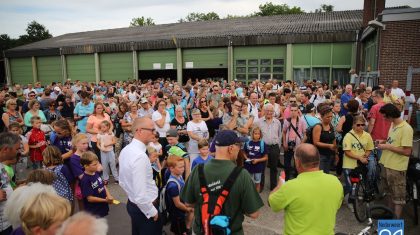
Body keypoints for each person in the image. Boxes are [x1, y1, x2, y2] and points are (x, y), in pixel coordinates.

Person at [181, 130, 263, 235]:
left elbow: (188, 203)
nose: (240, 149)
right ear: (231, 148)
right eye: (239, 146)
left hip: (202, 231)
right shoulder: (242, 175)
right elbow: (254, 213)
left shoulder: (198, 170)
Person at [268, 144, 343, 235]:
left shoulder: (290, 186)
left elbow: (272, 203)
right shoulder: (335, 183)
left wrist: (279, 186)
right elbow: (336, 205)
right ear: (318, 161)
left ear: (298, 162)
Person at [119, 117, 162, 235]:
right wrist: (152, 212)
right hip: (145, 210)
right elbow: (140, 195)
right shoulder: (140, 157)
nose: (155, 133)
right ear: (139, 131)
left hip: (134, 205)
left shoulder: (126, 150)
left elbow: (122, 182)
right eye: (152, 130)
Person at [377, 103, 413, 219]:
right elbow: (394, 142)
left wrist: (387, 147)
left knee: (398, 197)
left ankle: (395, 221)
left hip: (397, 168)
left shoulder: (406, 129)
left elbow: (407, 151)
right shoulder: (393, 124)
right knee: (389, 193)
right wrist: (383, 142)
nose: (384, 118)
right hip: (387, 164)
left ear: (391, 115)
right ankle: (389, 215)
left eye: (384, 116)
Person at [342, 115, 374, 209]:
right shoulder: (348, 136)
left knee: (358, 184)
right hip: (349, 165)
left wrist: (365, 156)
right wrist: (359, 158)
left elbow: (369, 148)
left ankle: (352, 198)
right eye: (358, 125)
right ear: (353, 125)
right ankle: (349, 201)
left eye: (363, 125)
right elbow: (347, 152)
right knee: (350, 185)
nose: (360, 127)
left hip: (361, 164)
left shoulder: (367, 135)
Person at [256, 103, 282, 190]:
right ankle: (261, 186)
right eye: (267, 110)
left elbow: (279, 134)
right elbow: (255, 134)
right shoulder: (259, 122)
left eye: (271, 111)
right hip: (263, 147)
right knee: (261, 167)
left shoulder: (277, 122)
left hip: (274, 147)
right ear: (264, 111)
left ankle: (273, 187)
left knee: (274, 168)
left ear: (273, 112)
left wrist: (278, 145)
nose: (269, 112)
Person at [80, 151, 114, 218]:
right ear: (86, 166)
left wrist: (109, 195)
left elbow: (103, 185)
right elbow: (89, 198)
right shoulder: (85, 180)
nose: (97, 166)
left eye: (97, 163)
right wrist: (105, 200)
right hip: (93, 211)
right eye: (94, 165)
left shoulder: (96, 173)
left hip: (101, 207)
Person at [165, 155, 193, 235]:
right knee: (180, 231)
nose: (183, 169)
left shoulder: (179, 175)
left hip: (181, 213)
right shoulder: (173, 185)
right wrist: (187, 209)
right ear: (171, 168)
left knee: (181, 228)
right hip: (177, 215)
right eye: (180, 167)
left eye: (183, 166)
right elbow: (177, 204)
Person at [282, 104, 306, 180]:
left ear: (298, 111)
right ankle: (286, 180)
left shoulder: (302, 121)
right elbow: (284, 132)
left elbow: (305, 134)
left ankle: (296, 180)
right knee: (287, 165)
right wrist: (284, 143)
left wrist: (300, 145)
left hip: (298, 145)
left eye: (295, 110)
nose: (293, 112)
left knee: (297, 165)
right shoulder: (287, 120)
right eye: (291, 110)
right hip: (288, 144)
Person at [312, 104, 336, 174]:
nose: (330, 118)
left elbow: (333, 138)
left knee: (326, 173)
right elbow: (316, 142)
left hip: (329, 155)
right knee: (320, 174)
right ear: (322, 117)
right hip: (320, 155)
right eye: (327, 117)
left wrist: (336, 153)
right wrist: (329, 146)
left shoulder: (330, 125)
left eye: (331, 116)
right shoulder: (318, 127)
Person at [243, 127, 268, 192]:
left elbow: (266, 157)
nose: (257, 135)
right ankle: (249, 196)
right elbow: (244, 152)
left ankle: (256, 198)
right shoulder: (248, 142)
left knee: (257, 183)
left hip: (258, 167)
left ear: (260, 135)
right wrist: (247, 158)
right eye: (255, 133)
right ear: (252, 134)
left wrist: (258, 160)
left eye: (258, 134)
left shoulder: (262, 144)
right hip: (249, 166)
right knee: (249, 183)